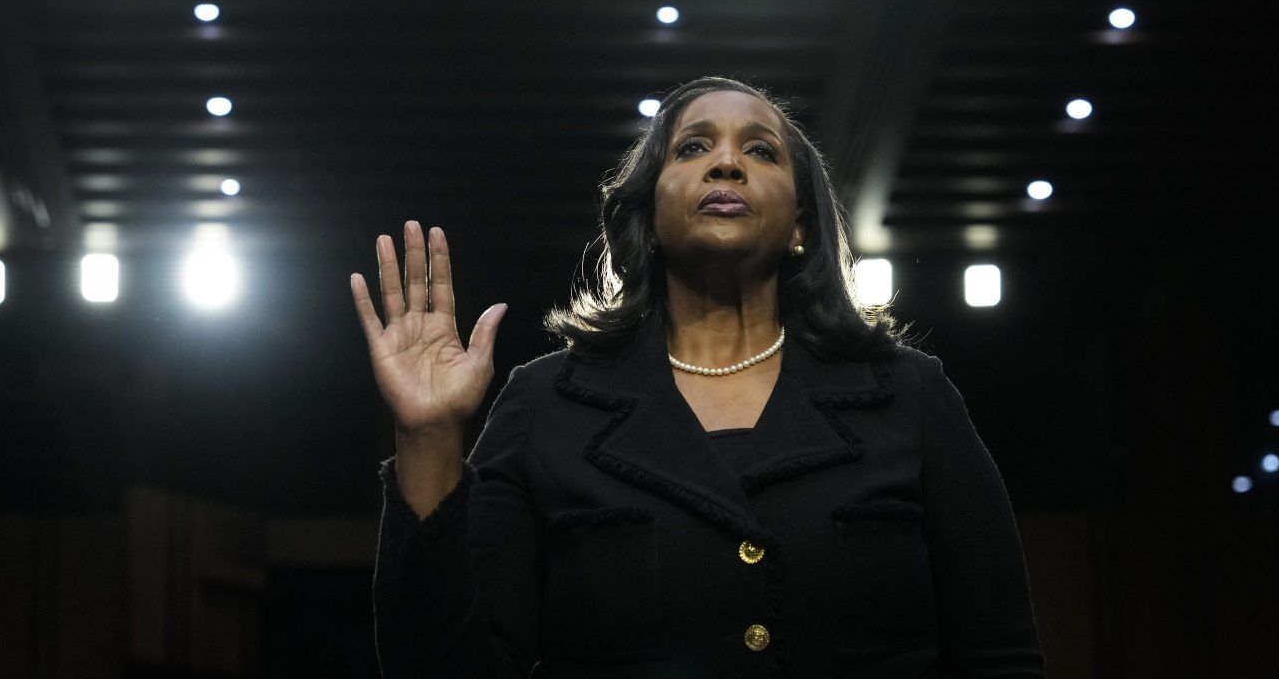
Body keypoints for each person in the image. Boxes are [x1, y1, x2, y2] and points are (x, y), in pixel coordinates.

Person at [351, 76, 1046, 678]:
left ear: (801, 224)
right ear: (648, 215)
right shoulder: (545, 404)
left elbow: (999, 658)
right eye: (693, 147)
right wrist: (428, 437)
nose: (726, 164)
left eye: (760, 150)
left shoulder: (909, 395)